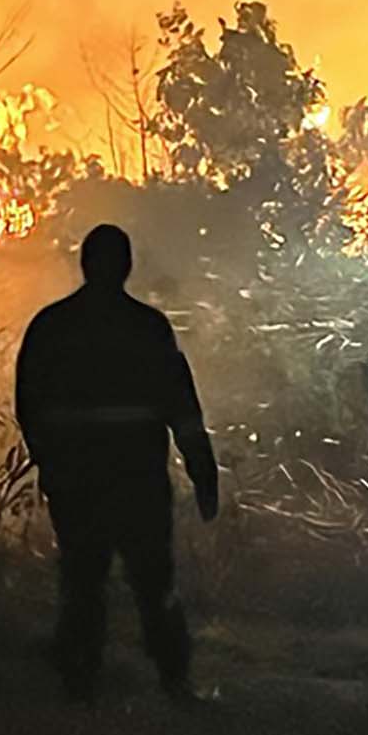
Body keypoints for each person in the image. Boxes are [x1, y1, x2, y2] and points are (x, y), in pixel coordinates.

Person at [15, 224, 218, 703]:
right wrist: (202, 471)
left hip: (78, 482)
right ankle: (174, 681)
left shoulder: (52, 326)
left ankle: (79, 683)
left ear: (84, 265)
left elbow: (30, 406)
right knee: (153, 582)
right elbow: (182, 407)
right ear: (127, 266)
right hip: (137, 480)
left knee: (83, 580)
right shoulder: (147, 328)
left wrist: (51, 465)